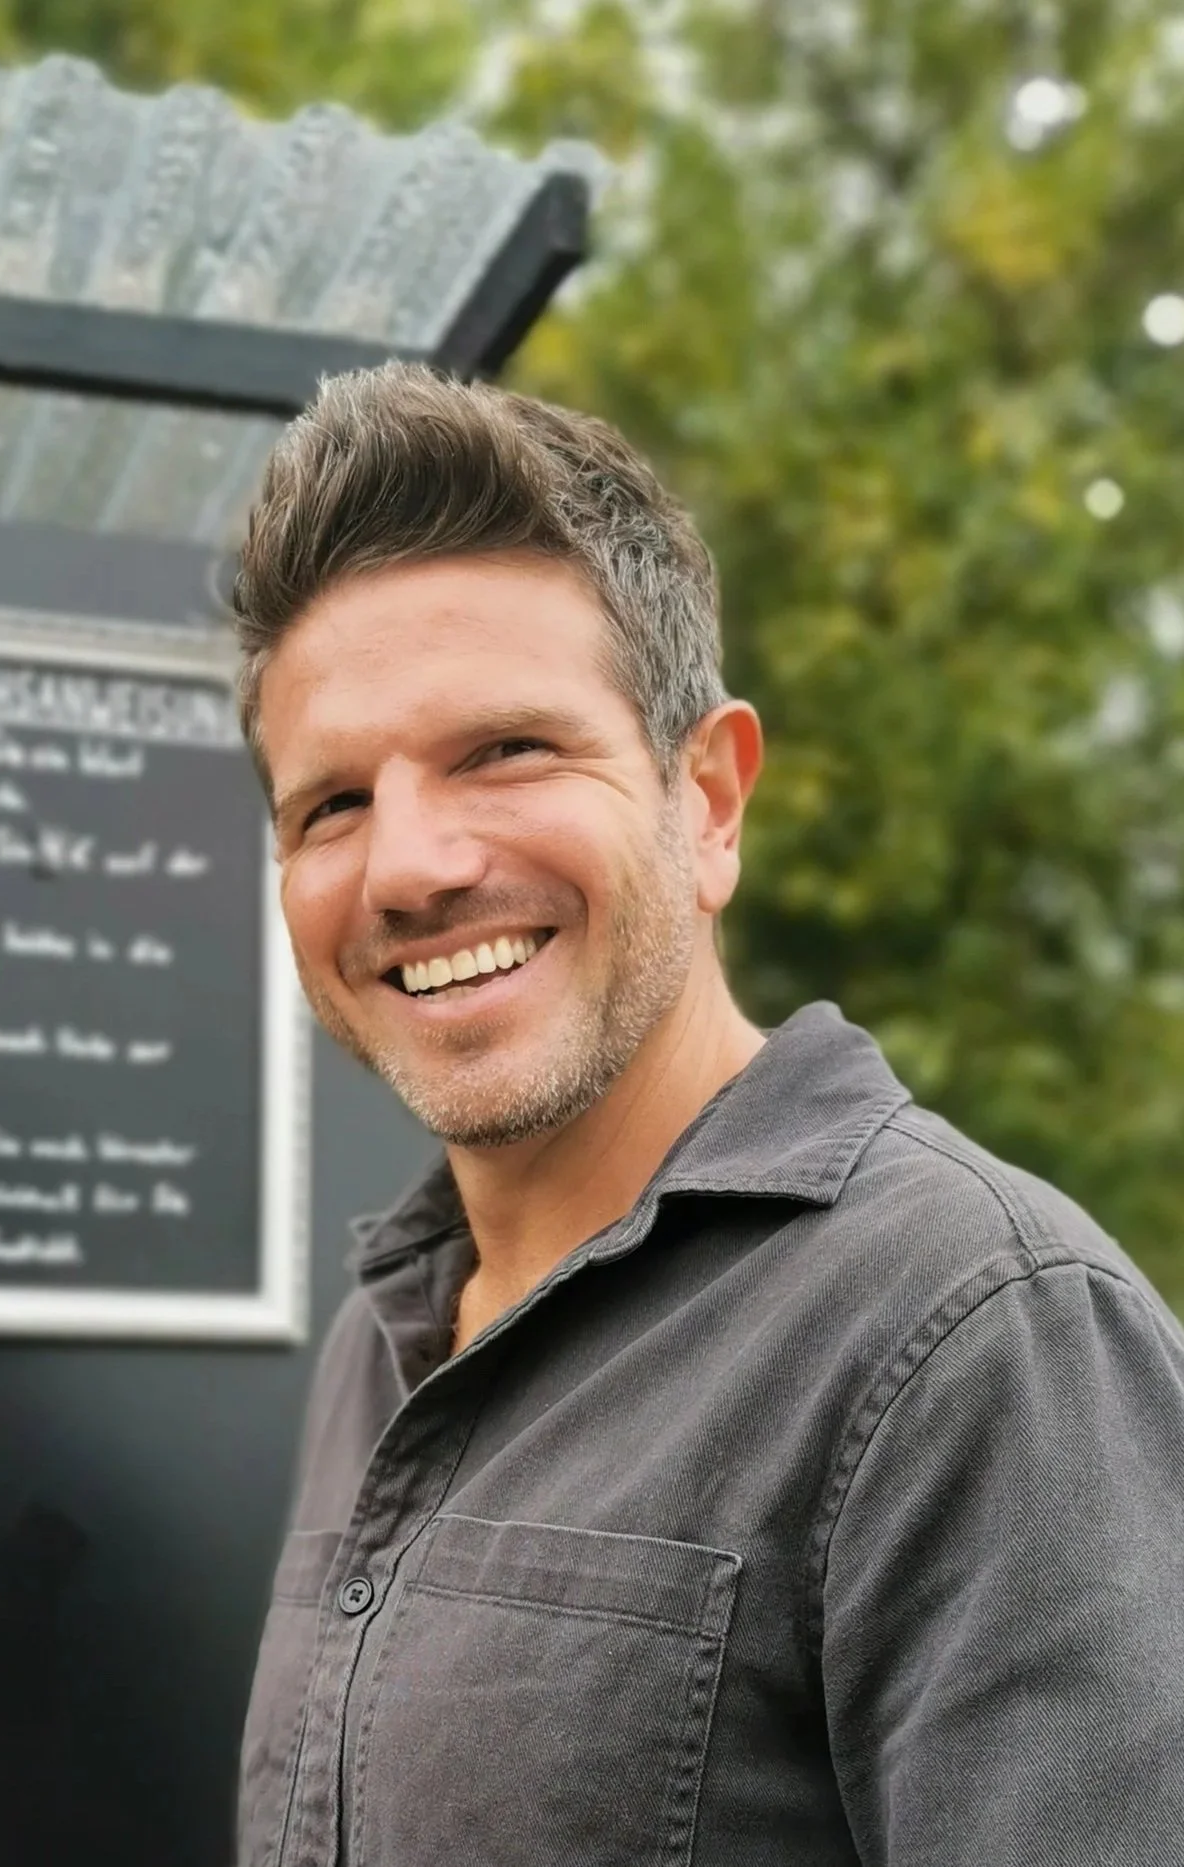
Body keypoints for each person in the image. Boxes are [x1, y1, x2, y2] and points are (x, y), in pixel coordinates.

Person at [230, 361, 1184, 1867]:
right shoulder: (385, 1343)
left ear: (711, 800)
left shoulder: (980, 1332)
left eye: (506, 750)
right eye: (330, 804)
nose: (408, 865)